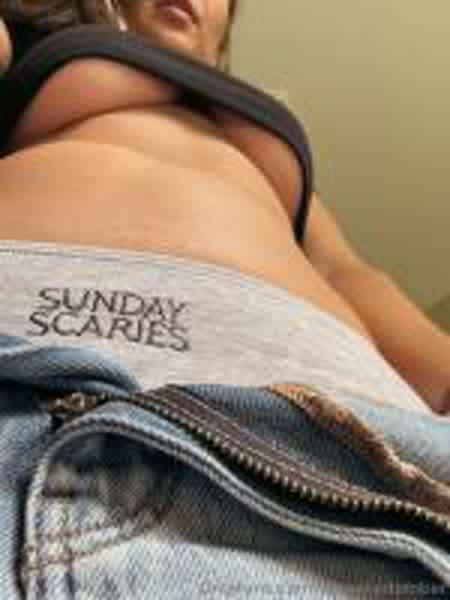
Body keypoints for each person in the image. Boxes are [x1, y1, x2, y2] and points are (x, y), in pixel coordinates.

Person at [0, 0, 449, 416]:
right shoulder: (37, 42)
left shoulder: (266, 135)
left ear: (224, 35)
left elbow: (343, 270)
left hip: (332, 391)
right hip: (29, 338)